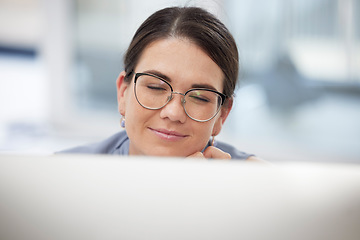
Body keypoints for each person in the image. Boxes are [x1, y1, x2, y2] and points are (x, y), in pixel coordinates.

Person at [60, 6, 262, 161]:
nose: (174, 113)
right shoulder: (63, 174)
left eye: (199, 98)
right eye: (155, 87)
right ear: (123, 93)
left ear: (222, 114)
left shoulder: (257, 185)